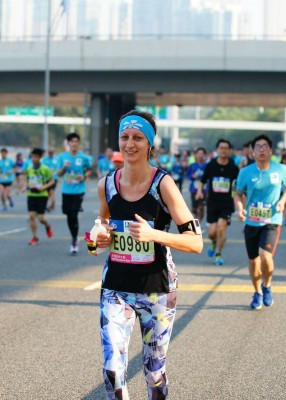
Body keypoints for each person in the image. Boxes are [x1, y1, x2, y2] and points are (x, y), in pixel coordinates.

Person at [93, 110, 203, 400]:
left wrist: (154, 235)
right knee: (112, 369)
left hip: (158, 290)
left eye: (138, 138)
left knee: (154, 371)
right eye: (124, 137)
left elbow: (196, 242)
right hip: (116, 288)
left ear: (150, 144)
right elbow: (101, 228)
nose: (130, 144)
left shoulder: (163, 184)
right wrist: (98, 239)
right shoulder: (106, 184)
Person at [234, 135, 286, 310]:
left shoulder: (280, 169)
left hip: (272, 220)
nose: (261, 149)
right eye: (258, 146)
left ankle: (267, 285)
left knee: (265, 256)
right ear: (253, 151)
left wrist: (282, 201)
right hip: (251, 221)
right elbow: (238, 194)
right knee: (254, 261)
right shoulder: (245, 172)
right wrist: (240, 208)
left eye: (265, 146)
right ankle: (257, 291)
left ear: (271, 151)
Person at [195, 139, 239, 266]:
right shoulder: (211, 165)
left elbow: (237, 186)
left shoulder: (233, 167)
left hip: (227, 204)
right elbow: (202, 181)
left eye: (226, 148)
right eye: (221, 147)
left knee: (221, 228)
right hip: (212, 204)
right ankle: (214, 242)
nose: (224, 150)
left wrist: (239, 201)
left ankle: (218, 254)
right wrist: (199, 191)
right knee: (212, 233)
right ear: (217, 150)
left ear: (229, 151)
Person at [57, 133, 92, 255]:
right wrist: (64, 167)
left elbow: (89, 170)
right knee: (68, 215)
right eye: (72, 141)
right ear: (68, 143)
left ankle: (74, 241)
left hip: (78, 190)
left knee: (73, 214)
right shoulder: (62, 157)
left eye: (76, 141)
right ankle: (74, 236)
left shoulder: (83, 157)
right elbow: (59, 174)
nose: (74, 143)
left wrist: (84, 176)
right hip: (66, 190)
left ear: (78, 143)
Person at [21, 148, 55, 245]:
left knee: (40, 218)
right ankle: (35, 237)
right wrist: (24, 187)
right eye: (32, 157)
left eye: (35, 157)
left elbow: (52, 181)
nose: (33, 159)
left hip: (42, 195)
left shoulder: (45, 169)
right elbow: (27, 180)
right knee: (31, 216)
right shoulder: (29, 168)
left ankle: (47, 225)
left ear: (40, 157)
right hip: (31, 195)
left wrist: (44, 187)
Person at [186, 147, 209, 224]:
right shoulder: (192, 165)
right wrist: (193, 176)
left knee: (201, 207)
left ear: (205, 155)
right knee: (194, 209)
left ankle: (199, 222)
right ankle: (196, 217)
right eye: (198, 153)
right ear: (195, 155)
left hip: (204, 189)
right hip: (194, 189)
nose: (200, 155)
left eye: (202, 153)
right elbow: (187, 175)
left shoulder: (207, 166)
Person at [41, 147, 60, 212]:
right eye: (49, 152)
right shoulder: (44, 159)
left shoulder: (57, 159)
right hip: (46, 179)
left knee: (51, 192)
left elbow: (59, 167)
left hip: (54, 178)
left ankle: (52, 205)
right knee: (47, 193)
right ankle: (48, 205)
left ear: (54, 152)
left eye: (52, 152)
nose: (51, 153)